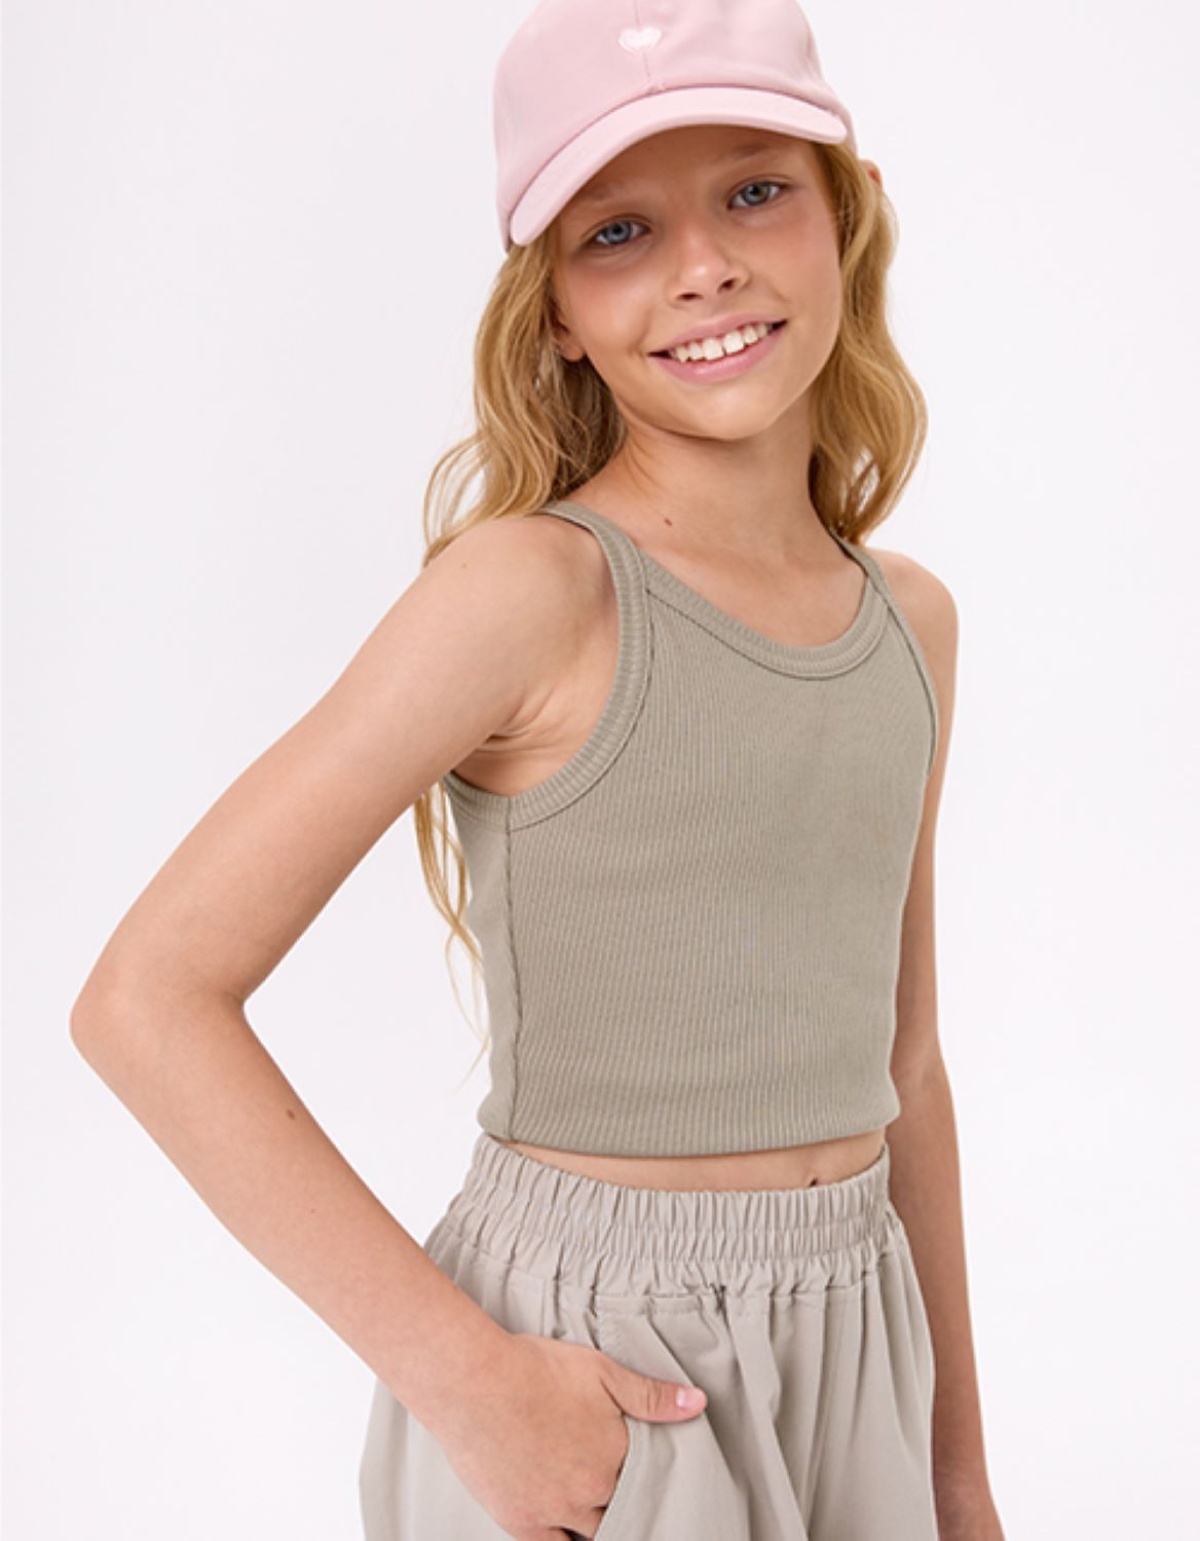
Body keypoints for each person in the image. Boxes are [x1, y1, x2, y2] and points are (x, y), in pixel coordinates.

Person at [70, 0, 1006, 1536]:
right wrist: (471, 1381)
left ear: (849, 212)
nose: (704, 265)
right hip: (599, 1366)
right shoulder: (534, 593)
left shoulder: (913, 624)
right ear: (557, 308)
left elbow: (905, 1070)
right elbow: (146, 997)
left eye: (755, 189)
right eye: (619, 231)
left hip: (862, 1347)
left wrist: (958, 1477)